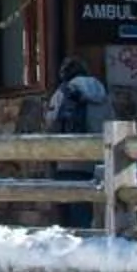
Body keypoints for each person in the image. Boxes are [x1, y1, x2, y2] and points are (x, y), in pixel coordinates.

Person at [47, 57, 113, 229]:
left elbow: (51, 121)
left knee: (68, 206)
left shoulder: (64, 92)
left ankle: (72, 239)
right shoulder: (102, 94)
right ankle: (90, 236)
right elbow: (111, 121)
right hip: (97, 156)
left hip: (68, 157)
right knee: (88, 206)